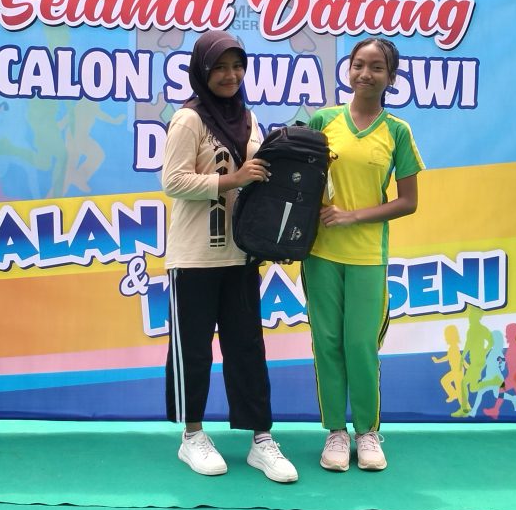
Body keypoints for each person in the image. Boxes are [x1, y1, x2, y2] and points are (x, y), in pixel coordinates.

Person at [160, 29, 299, 484]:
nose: (230, 75)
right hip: (194, 258)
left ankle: (261, 440)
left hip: (241, 255)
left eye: (237, 66)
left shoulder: (248, 118)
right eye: (219, 67)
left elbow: (259, 176)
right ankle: (192, 436)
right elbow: (173, 181)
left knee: (247, 349)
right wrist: (231, 180)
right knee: (193, 350)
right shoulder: (188, 120)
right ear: (202, 70)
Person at [303, 37, 423, 472]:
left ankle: (367, 432)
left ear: (391, 77)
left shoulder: (397, 131)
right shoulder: (323, 121)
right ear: (348, 70)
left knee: (360, 344)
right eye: (358, 64)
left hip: (368, 255)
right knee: (328, 343)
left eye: (376, 67)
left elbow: (408, 202)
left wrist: (352, 216)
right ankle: (336, 432)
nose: (365, 74)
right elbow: (298, 177)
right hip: (319, 253)